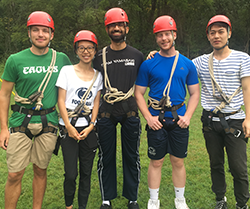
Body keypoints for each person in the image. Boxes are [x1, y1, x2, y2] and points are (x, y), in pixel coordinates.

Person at [0, 11, 71, 208]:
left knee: (41, 169)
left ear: (52, 35)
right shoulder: (15, 60)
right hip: (20, 121)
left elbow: (81, 71)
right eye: (36, 30)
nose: (41, 34)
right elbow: (4, 94)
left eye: (45, 31)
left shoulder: (62, 59)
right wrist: (3, 128)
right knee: (15, 174)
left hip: (48, 121)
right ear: (29, 33)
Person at [134, 15, 200, 209]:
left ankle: (180, 200)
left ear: (174, 35)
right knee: (156, 161)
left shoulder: (187, 64)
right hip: (156, 119)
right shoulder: (148, 64)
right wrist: (148, 117)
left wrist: (188, 116)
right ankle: (153, 201)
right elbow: (138, 93)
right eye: (159, 35)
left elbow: (195, 93)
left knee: (178, 161)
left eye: (167, 34)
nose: (164, 38)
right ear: (156, 38)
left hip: (179, 119)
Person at [192, 15, 250, 209]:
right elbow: (176, 65)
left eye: (221, 31)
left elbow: (247, 89)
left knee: (239, 168)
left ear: (229, 33)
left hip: (235, 121)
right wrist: (155, 54)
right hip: (210, 121)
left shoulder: (242, 58)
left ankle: (241, 204)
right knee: (215, 164)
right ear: (208, 36)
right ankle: (220, 200)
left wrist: (248, 118)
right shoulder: (199, 62)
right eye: (212, 32)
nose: (217, 36)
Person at [92, 7, 144, 209]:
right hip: (106, 111)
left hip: (130, 109)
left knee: (131, 155)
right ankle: (107, 197)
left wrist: (155, 54)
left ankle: (132, 197)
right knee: (106, 155)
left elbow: (151, 72)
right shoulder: (99, 56)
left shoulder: (137, 55)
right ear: (107, 29)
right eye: (111, 25)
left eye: (119, 25)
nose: (116, 28)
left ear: (126, 28)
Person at [56, 30, 102, 209]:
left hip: (88, 130)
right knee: (70, 173)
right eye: (81, 48)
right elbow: (61, 99)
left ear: (94, 51)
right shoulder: (66, 71)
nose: (86, 51)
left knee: (86, 173)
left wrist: (92, 125)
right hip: (68, 128)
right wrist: (68, 126)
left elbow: (96, 102)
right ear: (76, 50)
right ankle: (69, 205)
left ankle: (82, 206)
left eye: (90, 48)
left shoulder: (98, 75)